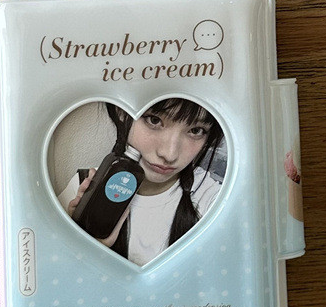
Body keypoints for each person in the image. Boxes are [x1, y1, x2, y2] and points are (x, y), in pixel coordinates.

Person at [59, 99, 223, 266]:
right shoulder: (82, 188)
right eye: (154, 120)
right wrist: (86, 246)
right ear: (122, 111)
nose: (169, 154)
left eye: (196, 131)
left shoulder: (215, 202)